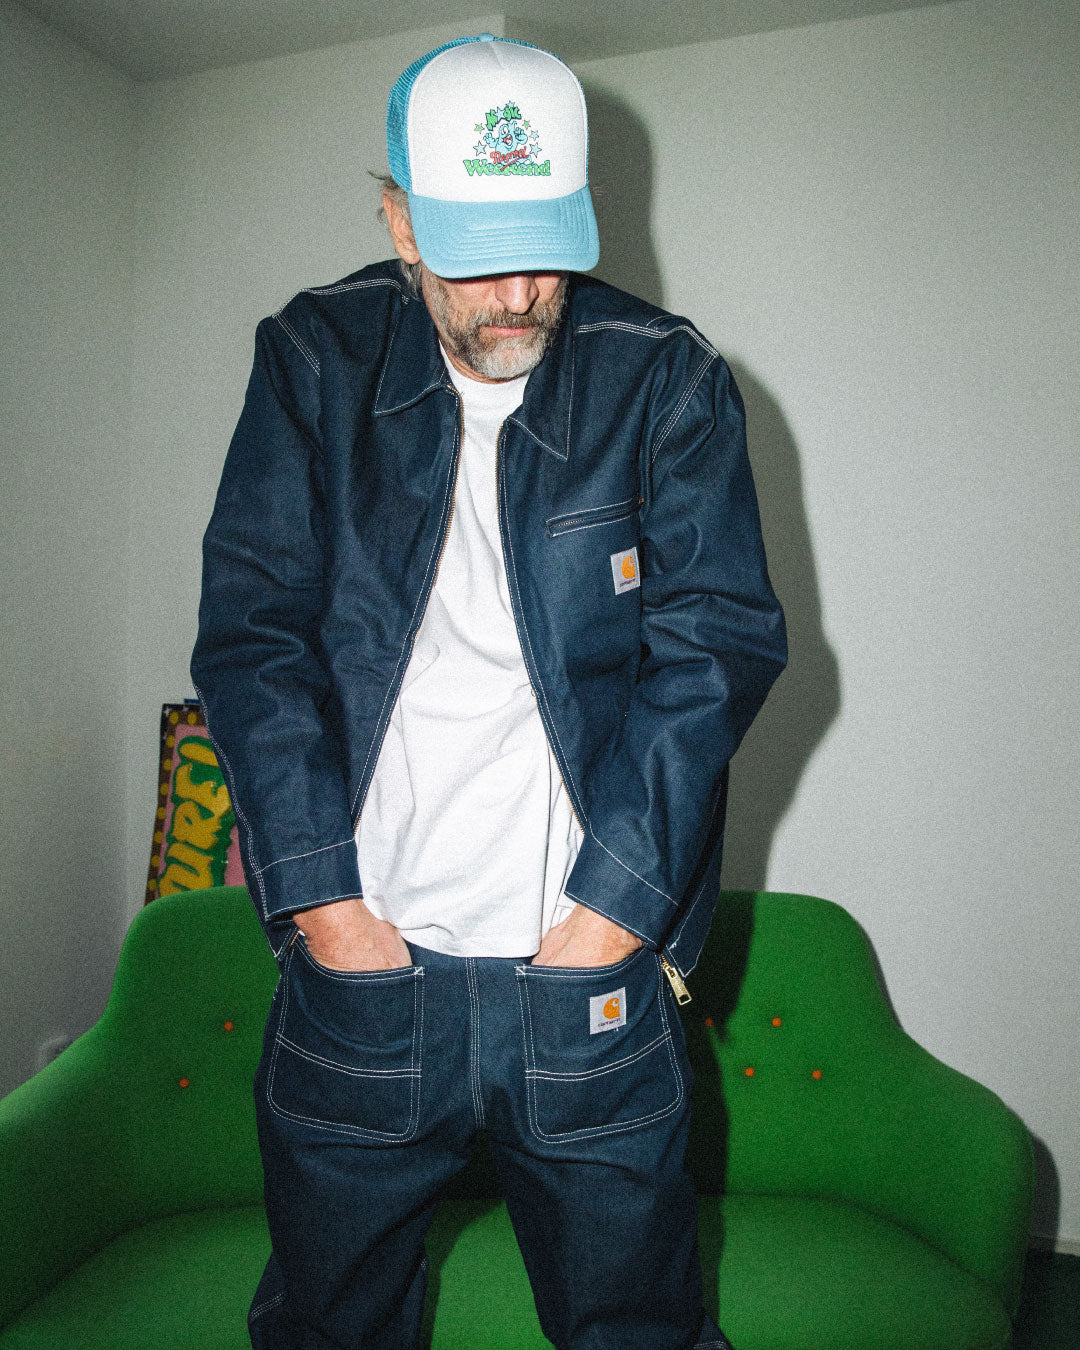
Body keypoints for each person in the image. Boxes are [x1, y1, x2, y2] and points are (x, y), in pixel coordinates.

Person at [191, 32, 786, 1350]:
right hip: (364, 972)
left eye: (546, 248)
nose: (519, 295)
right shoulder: (313, 361)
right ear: (400, 219)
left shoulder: (665, 380)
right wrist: (325, 907)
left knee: (641, 1331)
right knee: (329, 1330)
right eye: (477, 253)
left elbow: (715, 652)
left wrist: (612, 916)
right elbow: (252, 639)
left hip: (583, 979)